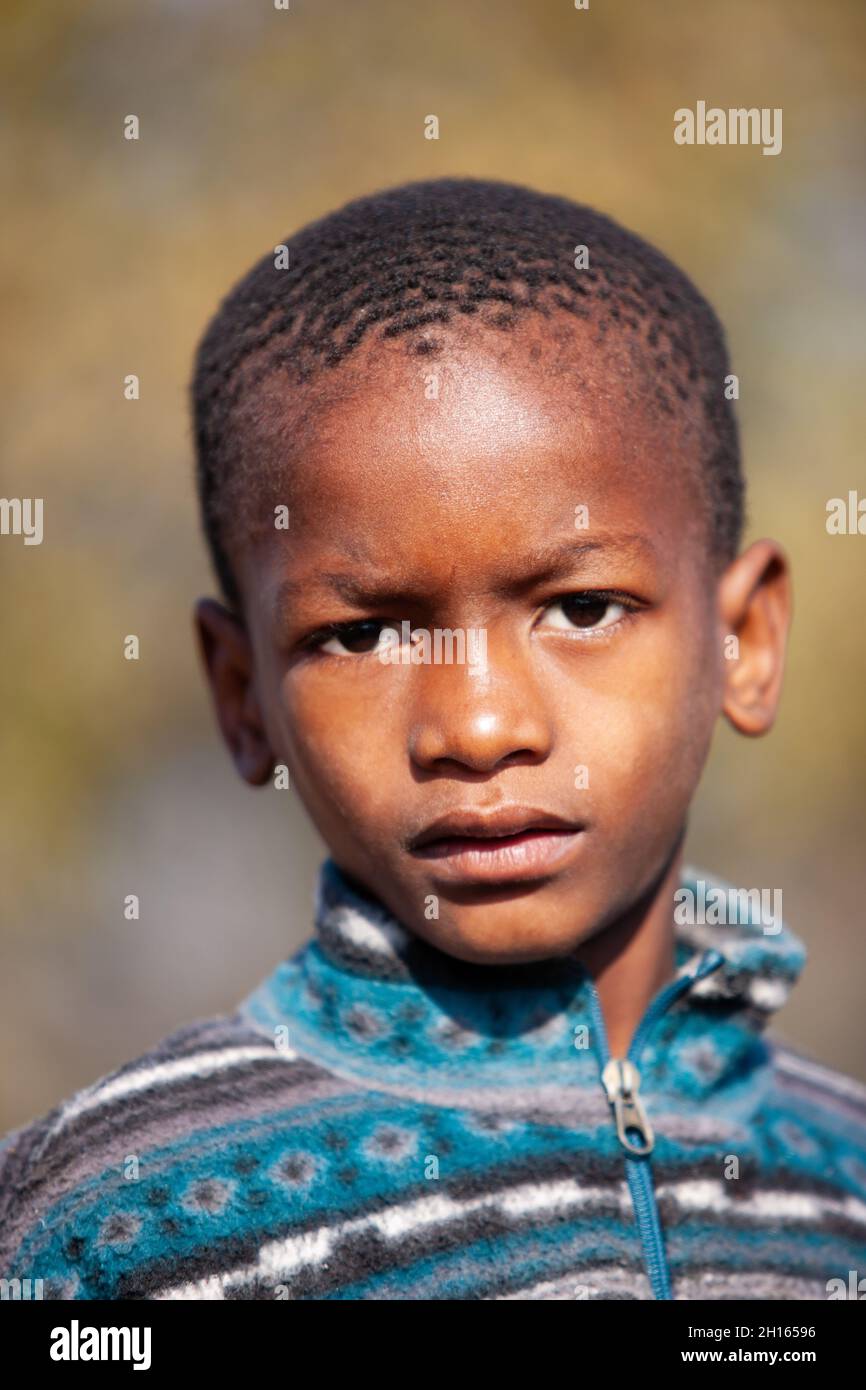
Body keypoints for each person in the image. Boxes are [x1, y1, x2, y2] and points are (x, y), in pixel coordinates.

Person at [2, 178, 865, 1300]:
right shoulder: (111, 1221)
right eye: (361, 634)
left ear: (740, 639)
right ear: (242, 693)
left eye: (583, 609)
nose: (478, 726)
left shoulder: (841, 1187)